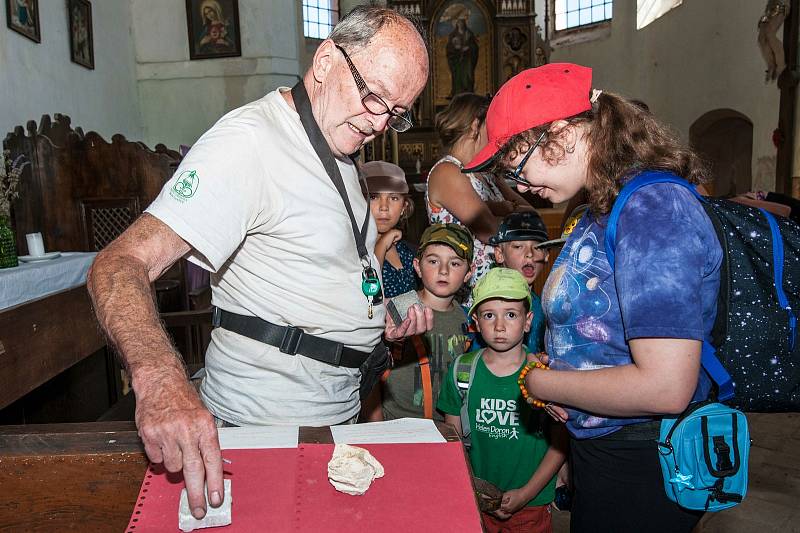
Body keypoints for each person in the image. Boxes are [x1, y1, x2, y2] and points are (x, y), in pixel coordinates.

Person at [87, 6, 431, 520]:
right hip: (265, 426)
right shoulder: (249, 143)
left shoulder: (338, 144)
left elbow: (314, 266)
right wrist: (162, 383)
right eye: (374, 96)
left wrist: (372, 315)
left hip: (330, 417)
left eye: (396, 112)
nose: (380, 123)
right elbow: (117, 265)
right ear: (325, 61)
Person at [462, 63, 721, 532]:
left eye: (516, 166)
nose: (520, 187)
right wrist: (562, 369)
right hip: (603, 447)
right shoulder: (600, 206)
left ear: (558, 132)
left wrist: (541, 384)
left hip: (643, 456)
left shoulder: (653, 206)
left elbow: (665, 386)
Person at [438, 268, 567, 533]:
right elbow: (453, 443)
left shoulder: (545, 377)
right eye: (489, 315)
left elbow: (559, 444)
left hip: (530, 504)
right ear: (475, 321)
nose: (499, 326)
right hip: (475, 499)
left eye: (510, 314)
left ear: (528, 320)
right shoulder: (462, 371)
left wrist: (526, 493)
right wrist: (470, 489)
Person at [363, 223, 474, 421]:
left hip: (443, 427)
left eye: (455, 263)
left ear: (468, 273)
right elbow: (371, 370)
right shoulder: (396, 309)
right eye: (433, 261)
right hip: (395, 425)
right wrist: (375, 425)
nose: (443, 271)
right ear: (417, 266)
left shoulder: (465, 319)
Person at [427, 93, 534, 291]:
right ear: (476, 125)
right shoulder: (447, 172)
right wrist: (505, 210)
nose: (496, 134)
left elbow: (532, 216)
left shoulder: (486, 172)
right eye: (490, 125)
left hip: (502, 283)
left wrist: (501, 209)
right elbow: (491, 232)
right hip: (474, 289)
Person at [488, 212, 550, 352]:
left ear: (546, 255)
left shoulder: (544, 306)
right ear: (499, 254)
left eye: (538, 247)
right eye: (518, 246)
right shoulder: (488, 301)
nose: (529, 253)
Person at [362, 161, 416, 299]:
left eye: (393, 198)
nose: (384, 206)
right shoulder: (357, 248)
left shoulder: (406, 251)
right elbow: (370, 289)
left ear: (404, 207)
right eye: (374, 197)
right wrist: (383, 243)